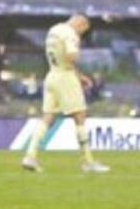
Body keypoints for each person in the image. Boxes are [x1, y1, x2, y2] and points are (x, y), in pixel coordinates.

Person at [22, 15, 110, 173]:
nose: (81, 34)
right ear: (80, 23)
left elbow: (59, 56)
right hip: (65, 77)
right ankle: (88, 161)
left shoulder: (54, 30)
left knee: (47, 118)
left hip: (52, 75)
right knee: (80, 116)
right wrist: (77, 56)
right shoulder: (70, 34)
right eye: (83, 30)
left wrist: (79, 75)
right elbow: (70, 56)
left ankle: (30, 156)